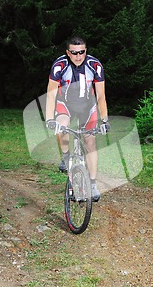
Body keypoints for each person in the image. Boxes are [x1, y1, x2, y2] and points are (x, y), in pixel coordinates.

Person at [45, 36, 110, 202]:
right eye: (74, 53)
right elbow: (51, 93)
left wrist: (104, 120)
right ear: (68, 52)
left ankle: (93, 184)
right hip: (65, 104)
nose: (78, 56)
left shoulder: (94, 65)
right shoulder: (60, 65)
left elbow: (101, 95)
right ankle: (66, 156)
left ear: (85, 51)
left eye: (81, 52)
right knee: (62, 125)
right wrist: (49, 118)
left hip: (87, 107)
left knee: (90, 141)